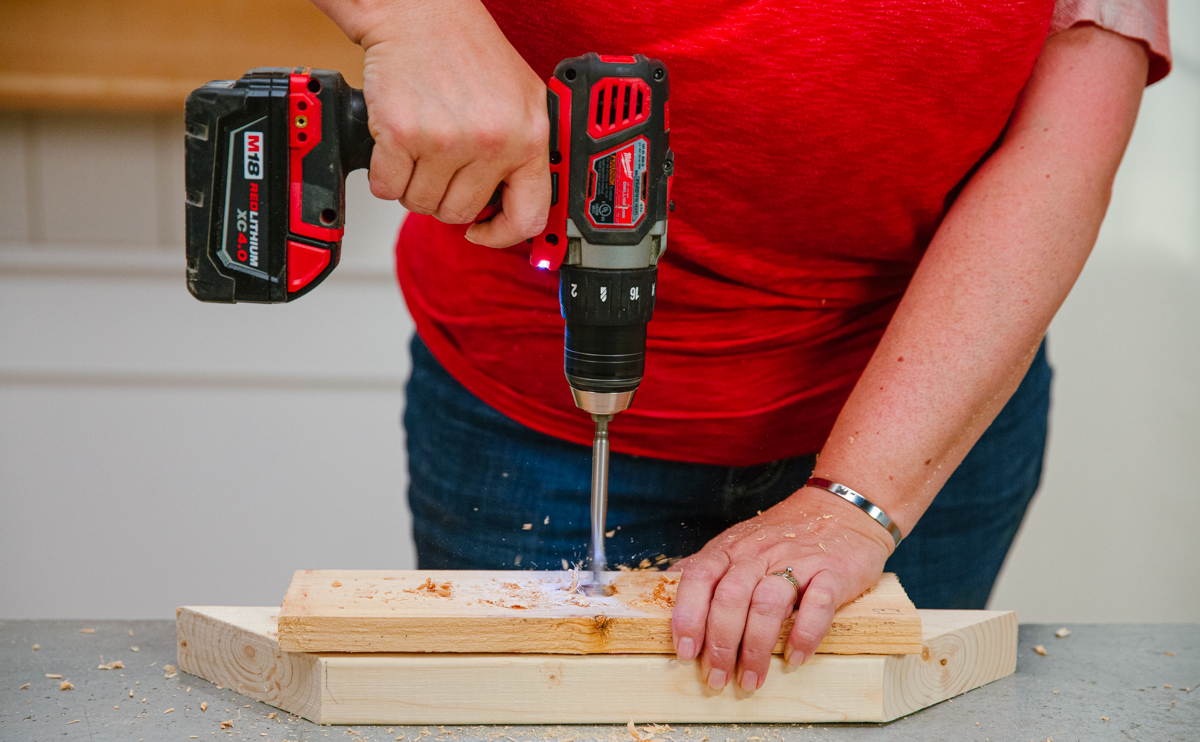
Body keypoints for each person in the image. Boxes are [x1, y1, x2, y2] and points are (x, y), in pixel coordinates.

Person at [312, 0, 1170, 692]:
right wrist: (412, 15)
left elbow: (1065, 139)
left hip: (926, 400)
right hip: (534, 411)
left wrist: (857, 500)